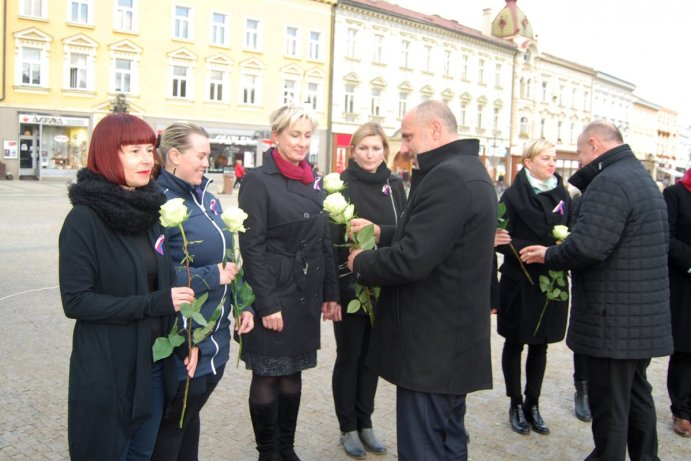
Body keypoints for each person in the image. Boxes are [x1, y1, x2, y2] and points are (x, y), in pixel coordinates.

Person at [347, 100, 496, 460]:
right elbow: (439, 235)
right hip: (450, 344)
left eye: (409, 136)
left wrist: (362, 262)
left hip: (432, 347)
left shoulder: (447, 177)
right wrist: (382, 231)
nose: (405, 146)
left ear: (435, 129)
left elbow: (413, 259)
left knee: (424, 447)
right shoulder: (469, 171)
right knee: (448, 441)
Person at [521, 120, 672, 461]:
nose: (579, 159)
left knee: (610, 407)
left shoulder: (610, 182)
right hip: (638, 317)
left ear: (593, 144)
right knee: (635, 394)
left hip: (613, 319)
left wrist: (549, 254)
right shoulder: (639, 177)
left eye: (579, 152)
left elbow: (587, 247)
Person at [59, 113, 198, 460]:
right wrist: (153, 303)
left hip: (152, 366)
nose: (147, 159)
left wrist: (183, 341)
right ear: (107, 154)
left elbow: (163, 282)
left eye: (150, 149)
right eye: (134, 150)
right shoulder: (84, 220)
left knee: (142, 453)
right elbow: (76, 301)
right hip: (109, 370)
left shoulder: (150, 210)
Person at [238, 104, 339, 461]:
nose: (302, 142)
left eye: (308, 135)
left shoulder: (313, 178)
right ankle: (268, 452)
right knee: (267, 374)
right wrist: (266, 303)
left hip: (305, 294)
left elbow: (323, 239)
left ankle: (287, 448)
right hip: (274, 291)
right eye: (294, 134)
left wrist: (331, 293)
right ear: (276, 135)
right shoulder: (257, 180)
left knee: (293, 373)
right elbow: (251, 245)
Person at [153, 122, 255, 460]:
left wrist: (244, 305)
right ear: (174, 155)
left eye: (208, 156)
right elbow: (156, 277)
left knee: (189, 419)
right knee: (172, 426)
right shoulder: (157, 204)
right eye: (201, 155)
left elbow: (230, 260)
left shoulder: (208, 200)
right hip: (185, 342)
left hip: (215, 341)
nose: (206, 163)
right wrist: (211, 276)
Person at [329, 122, 406, 458]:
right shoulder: (341, 187)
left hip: (384, 284)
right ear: (353, 151)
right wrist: (332, 292)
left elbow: (405, 231)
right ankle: (347, 426)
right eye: (363, 148)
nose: (370, 154)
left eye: (376, 148)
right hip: (350, 285)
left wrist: (379, 232)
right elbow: (329, 243)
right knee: (350, 356)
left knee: (372, 359)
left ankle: (366, 422)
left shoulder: (395, 184)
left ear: (384, 151)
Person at [495, 139, 571, 436]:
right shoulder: (513, 196)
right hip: (520, 281)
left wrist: (558, 249)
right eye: (545, 158)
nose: (552, 163)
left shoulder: (562, 193)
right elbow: (501, 237)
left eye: (553, 158)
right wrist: (532, 249)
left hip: (551, 279)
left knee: (541, 345)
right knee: (515, 342)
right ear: (528, 162)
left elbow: (573, 230)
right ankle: (514, 403)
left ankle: (533, 404)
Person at [663, 167, 691, 437]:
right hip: (685, 283)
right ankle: (682, 410)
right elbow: (666, 236)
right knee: (685, 349)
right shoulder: (675, 194)